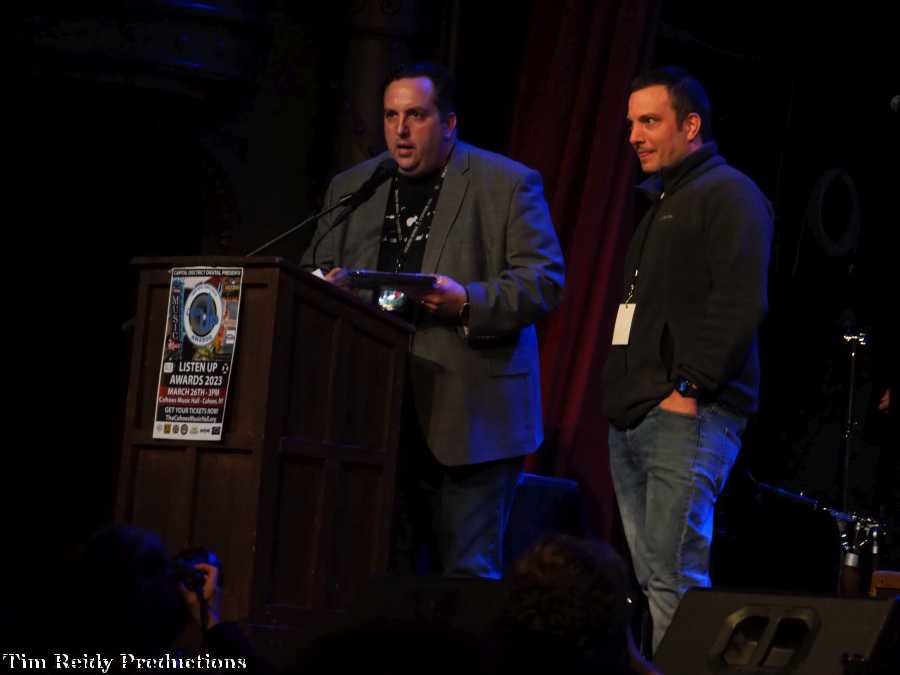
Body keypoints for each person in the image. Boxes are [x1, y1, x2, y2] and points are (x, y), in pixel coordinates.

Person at [302, 62, 564, 579]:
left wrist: (467, 301)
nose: (400, 130)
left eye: (416, 116)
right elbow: (313, 266)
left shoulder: (506, 183)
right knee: (383, 574)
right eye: (390, 116)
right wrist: (324, 285)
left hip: (472, 419)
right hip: (375, 415)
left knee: (466, 575)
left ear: (449, 123)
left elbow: (544, 281)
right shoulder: (356, 186)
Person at [601, 66, 773, 651]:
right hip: (637, 415)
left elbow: (740, 301)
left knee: (674, 580)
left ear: (691, 125)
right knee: (656, 581)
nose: (635, 136)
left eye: (649, 121)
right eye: (631, 124)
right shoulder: (662, 200)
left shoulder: (730, 193)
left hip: (686, 413)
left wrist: (688, 389)